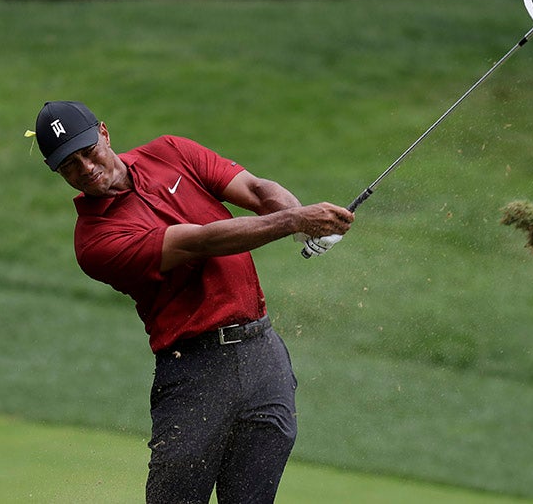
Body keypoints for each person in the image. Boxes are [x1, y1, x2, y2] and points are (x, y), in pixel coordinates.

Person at [30, 101, 354, 504]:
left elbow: (254, 190)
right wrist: (296, 221)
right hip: (194, 375)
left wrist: (300, 217)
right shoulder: (96, 241)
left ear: (105, 133)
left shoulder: (170, 151)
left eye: (88, 151)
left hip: (263, 356)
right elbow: (203, 240)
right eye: (69, 165)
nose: (86, 168)